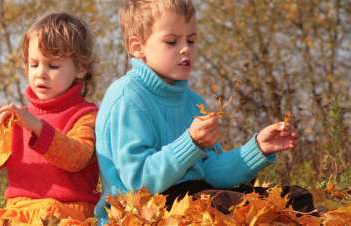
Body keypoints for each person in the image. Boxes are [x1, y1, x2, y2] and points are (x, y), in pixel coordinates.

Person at [94, 0, 313, 224]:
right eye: (171, 41)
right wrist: (190, 143)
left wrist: (257, 148)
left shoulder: (193, 101)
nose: (185, 48)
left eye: (191, 40)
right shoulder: (127, 97)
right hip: (143, 212)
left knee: (296, 199)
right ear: (137, 46)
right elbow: (139, 182)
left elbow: (211, 172)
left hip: (198, 195)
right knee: (233, 207)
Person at [0, 12, 99, 225]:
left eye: (53, 66)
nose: (41, 73)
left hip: (66, 211)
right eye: (34, 64)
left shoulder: (85, 115)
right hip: (19, 210)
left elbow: (77, 157)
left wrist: (37, 127)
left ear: (81, 68)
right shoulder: (16, 118)